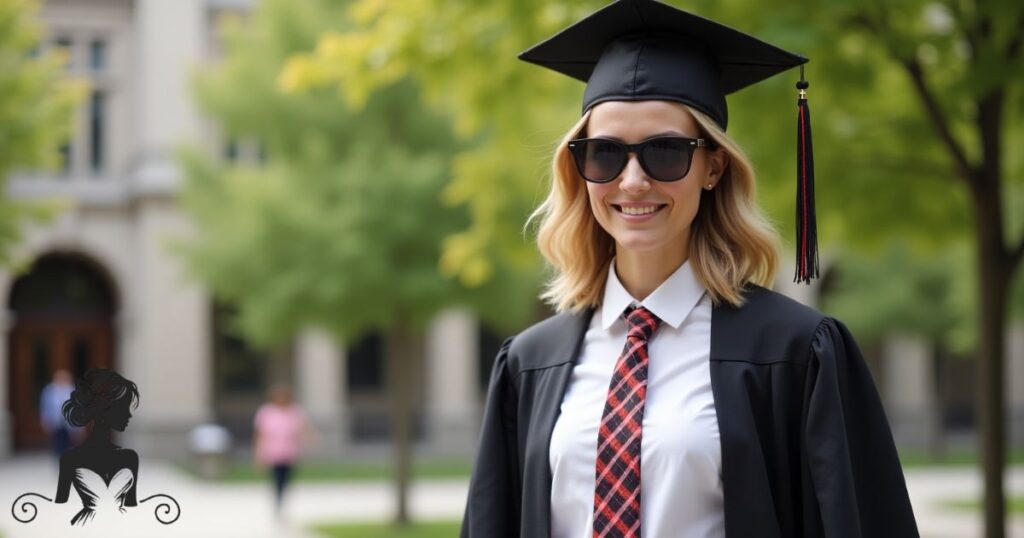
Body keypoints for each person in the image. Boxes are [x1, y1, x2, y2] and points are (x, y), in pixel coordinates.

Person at [461, 1, 919, 537]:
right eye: (604, 154)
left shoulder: (796, 354)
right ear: (578, 170)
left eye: (666, 152)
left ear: (713, 166)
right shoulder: (528, 366)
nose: (632, 181)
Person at [54, 368, 139, 526]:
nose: (129, 415)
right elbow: (60, 506)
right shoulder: (69, 459)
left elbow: (131, 505)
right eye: (123, 408)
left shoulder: (130, 458)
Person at [253, 383, 317, 517]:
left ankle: (282, 502)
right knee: (277, 479)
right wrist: (259, 454)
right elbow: (261, 435)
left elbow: (302, 429)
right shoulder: (266, 412)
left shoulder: (294, 412)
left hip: (290, 452)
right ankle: (278, 502)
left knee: (287, 480)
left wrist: (311, 439)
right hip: (273, 453)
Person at [39, 369, 76, 459]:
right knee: (58, 442)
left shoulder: (72, 390)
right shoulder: (49, 390)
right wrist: (45, 420)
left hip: (68, 423)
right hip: (56, 422)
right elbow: (45, 406)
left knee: (69, 443)